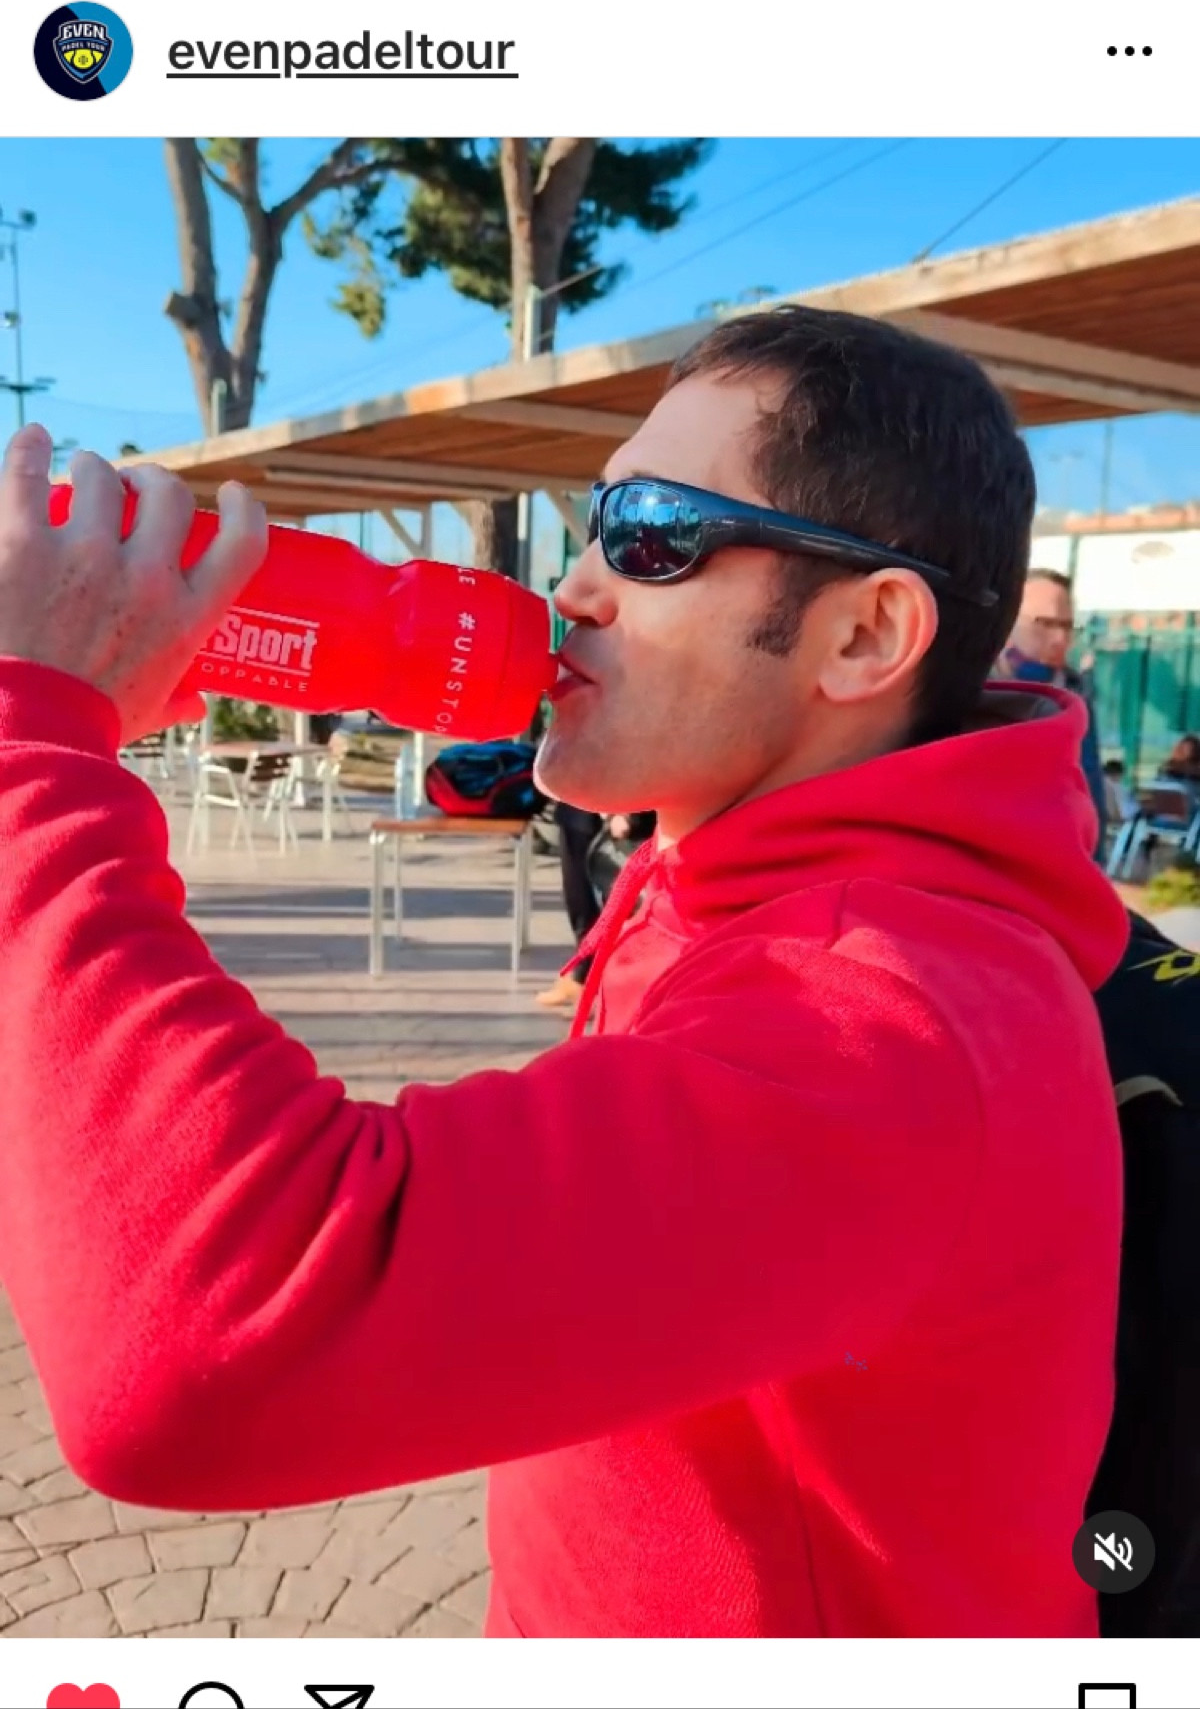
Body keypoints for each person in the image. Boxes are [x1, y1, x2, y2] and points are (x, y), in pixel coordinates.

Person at [0, 305, 1129, 1638]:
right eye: (593, 524)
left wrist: (35, 742)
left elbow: (202, 1346)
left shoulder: (889, 1011)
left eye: (654, 534)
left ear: (865, 638)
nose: (577, 588)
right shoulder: (718, 876)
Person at [992, 569, 1107, 853]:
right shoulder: (970, 688)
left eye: (1067, 626)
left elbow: (1091, 789)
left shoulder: (1076, 697)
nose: (1060, 638)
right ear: (1008, 619)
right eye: (1045, 623)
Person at [536, 804, 657, 1013]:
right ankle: (583, 974)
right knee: (578, 887)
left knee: (618, 899)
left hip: (627, 810)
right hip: (585, 804)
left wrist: (630, 814)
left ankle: (591, 980)